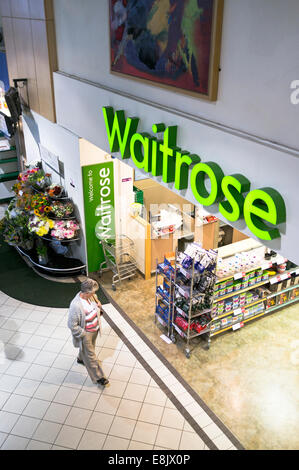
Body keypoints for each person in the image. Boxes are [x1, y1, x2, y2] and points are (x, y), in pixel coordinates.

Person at [67, 278, 109, 386]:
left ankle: (81, 358)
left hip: (94, 330)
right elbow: (72, 325)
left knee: (88, 350)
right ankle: (99, 377)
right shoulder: (76, 305)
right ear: (86, 292)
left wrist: (99, 307)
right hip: (86, 333)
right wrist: (83, 334)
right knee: (91, 356)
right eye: (93, 291)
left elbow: (97, 310)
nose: (95, 293)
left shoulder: (93, 297)